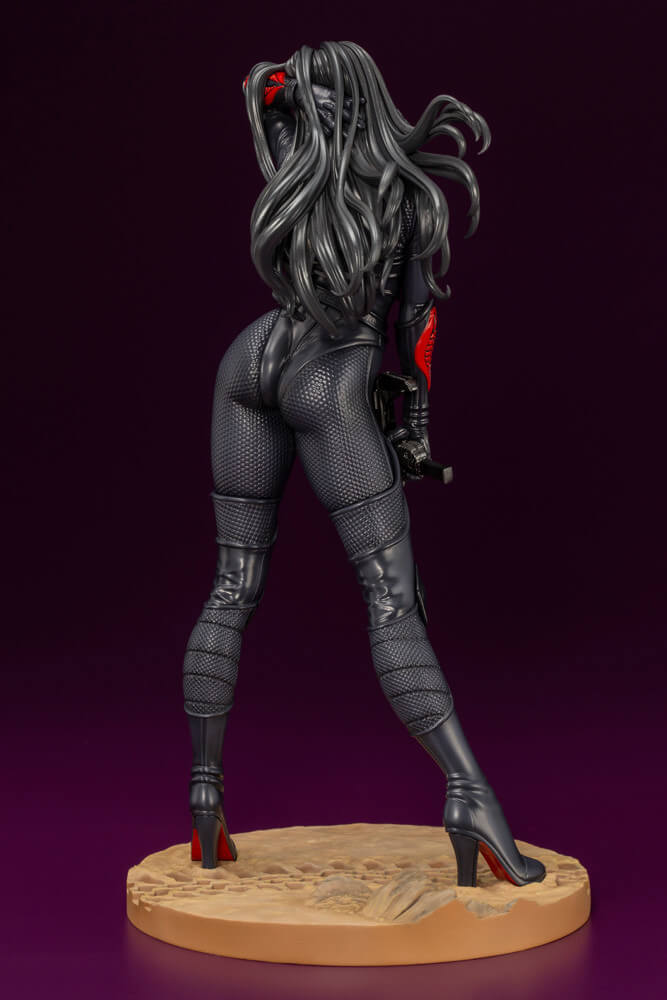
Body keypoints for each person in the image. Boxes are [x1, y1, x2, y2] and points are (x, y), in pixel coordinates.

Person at [183, 41, 545, 888]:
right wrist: (412, 429)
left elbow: (258, 87)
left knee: (230, 587)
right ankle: (469, 794)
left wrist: (288, 84)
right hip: (330, 376)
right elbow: (416, 330)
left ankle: (203, 796)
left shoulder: (293, 163)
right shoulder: (407, 193)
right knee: (390, 599)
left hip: (249, 360)